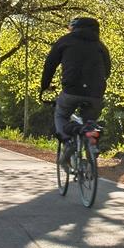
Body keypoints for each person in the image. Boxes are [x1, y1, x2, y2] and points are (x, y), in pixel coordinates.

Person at [40, 16, 112, 165]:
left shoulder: (65, 41)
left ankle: (68, 143)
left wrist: (45, 86)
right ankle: (92, 144)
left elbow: (50, 65)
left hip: (71, 90)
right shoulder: (100, 46)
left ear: (74, 28)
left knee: (60, 114)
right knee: (90, 121)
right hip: (95, 93)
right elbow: (107, 71)